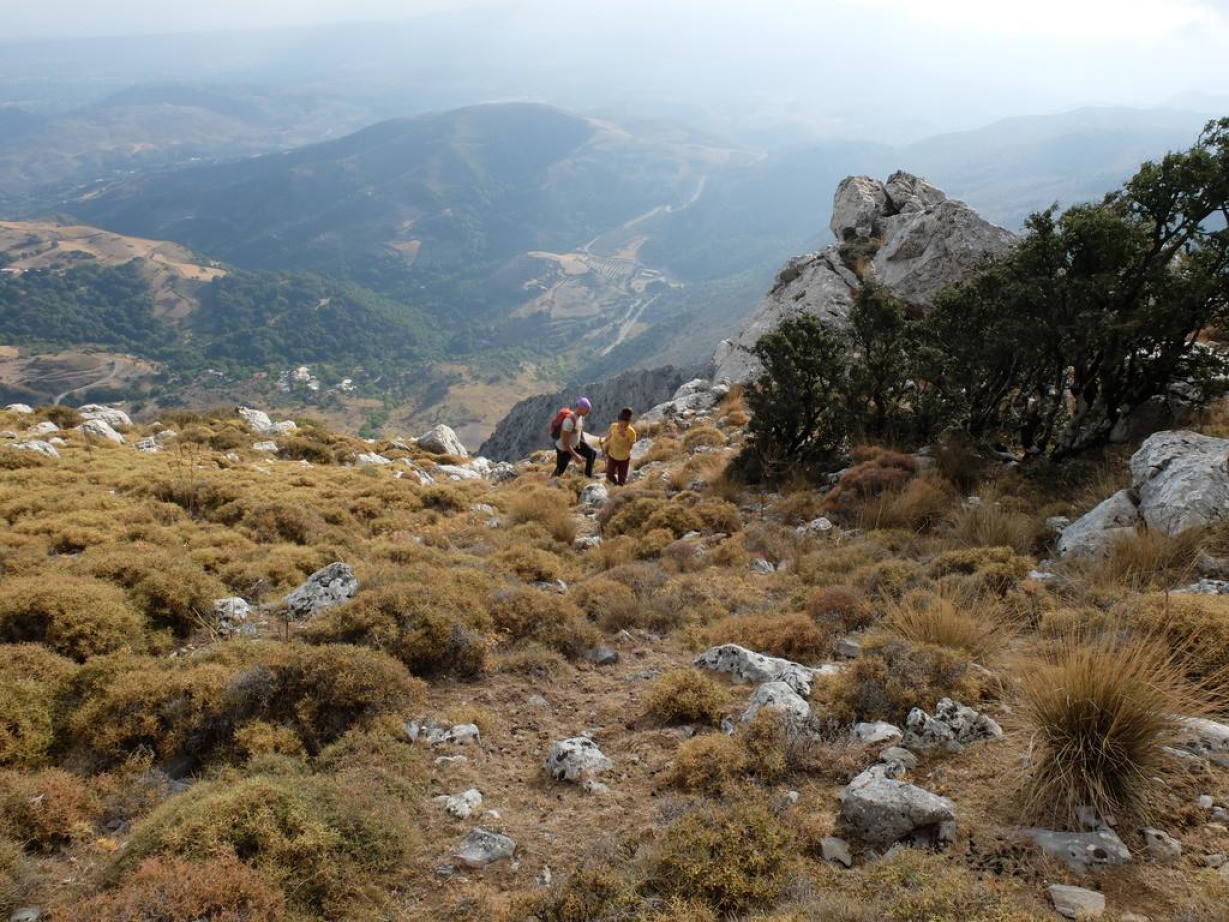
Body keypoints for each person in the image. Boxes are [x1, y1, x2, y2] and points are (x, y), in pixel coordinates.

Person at [552, 396, 595, 477]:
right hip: (564, 449)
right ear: (580, 408)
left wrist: (585, 444)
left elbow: (579, 431)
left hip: (575, 444)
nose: (588, 412)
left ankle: (588, 476)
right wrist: (575, 456)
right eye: (587, 410)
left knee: (591, 453)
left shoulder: (580, 417)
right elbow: (565, 442)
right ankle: (550, 482)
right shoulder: (569, 421)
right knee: (560, 470)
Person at [600, 406, 637, 486]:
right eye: (621, 423)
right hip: (612, 456)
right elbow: (610, 435)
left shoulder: (631, 432)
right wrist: (604, 440)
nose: (622, 426)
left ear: (628, 423)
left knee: (622, 481)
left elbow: (629, 447)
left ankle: (618, 488)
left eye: (625, 425)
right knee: (609, 475)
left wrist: (623, 436)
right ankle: (615, 485)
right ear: (618, 420)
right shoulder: (613, 426)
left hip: (624, 459)